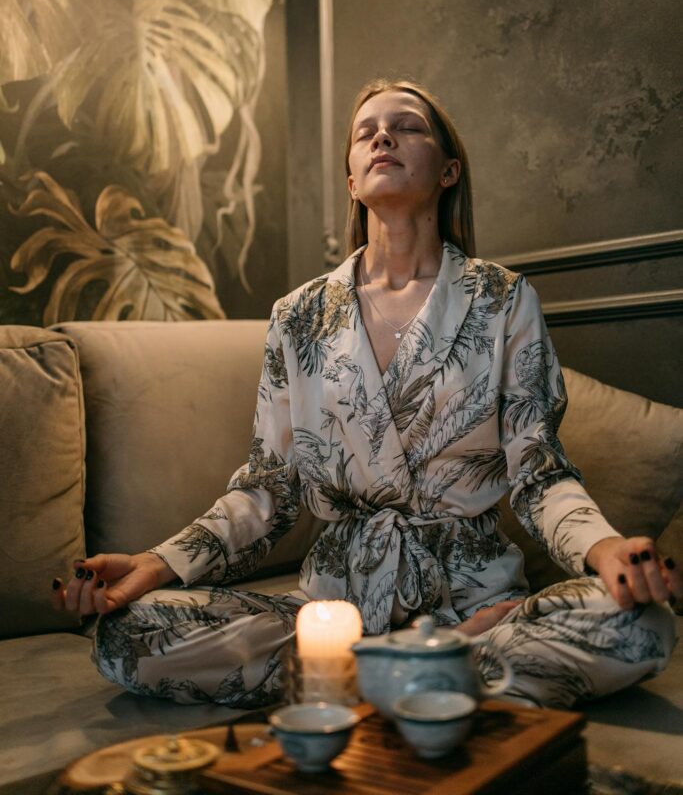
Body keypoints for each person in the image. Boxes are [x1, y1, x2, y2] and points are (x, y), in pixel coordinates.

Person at [52, 78, 680, 708]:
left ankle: (360, 676)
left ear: (448, 170)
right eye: (365, 131)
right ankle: (432, 669)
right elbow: (269, 491)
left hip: (477, 598)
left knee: (644, 626)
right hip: (333, 607)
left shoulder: (503, 301)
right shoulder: (297, 317)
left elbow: (539, 474)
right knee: (128, 635)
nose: (383, 136)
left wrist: (607, 552)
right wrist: (155, 564)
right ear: (352, 180)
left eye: (407, 126)